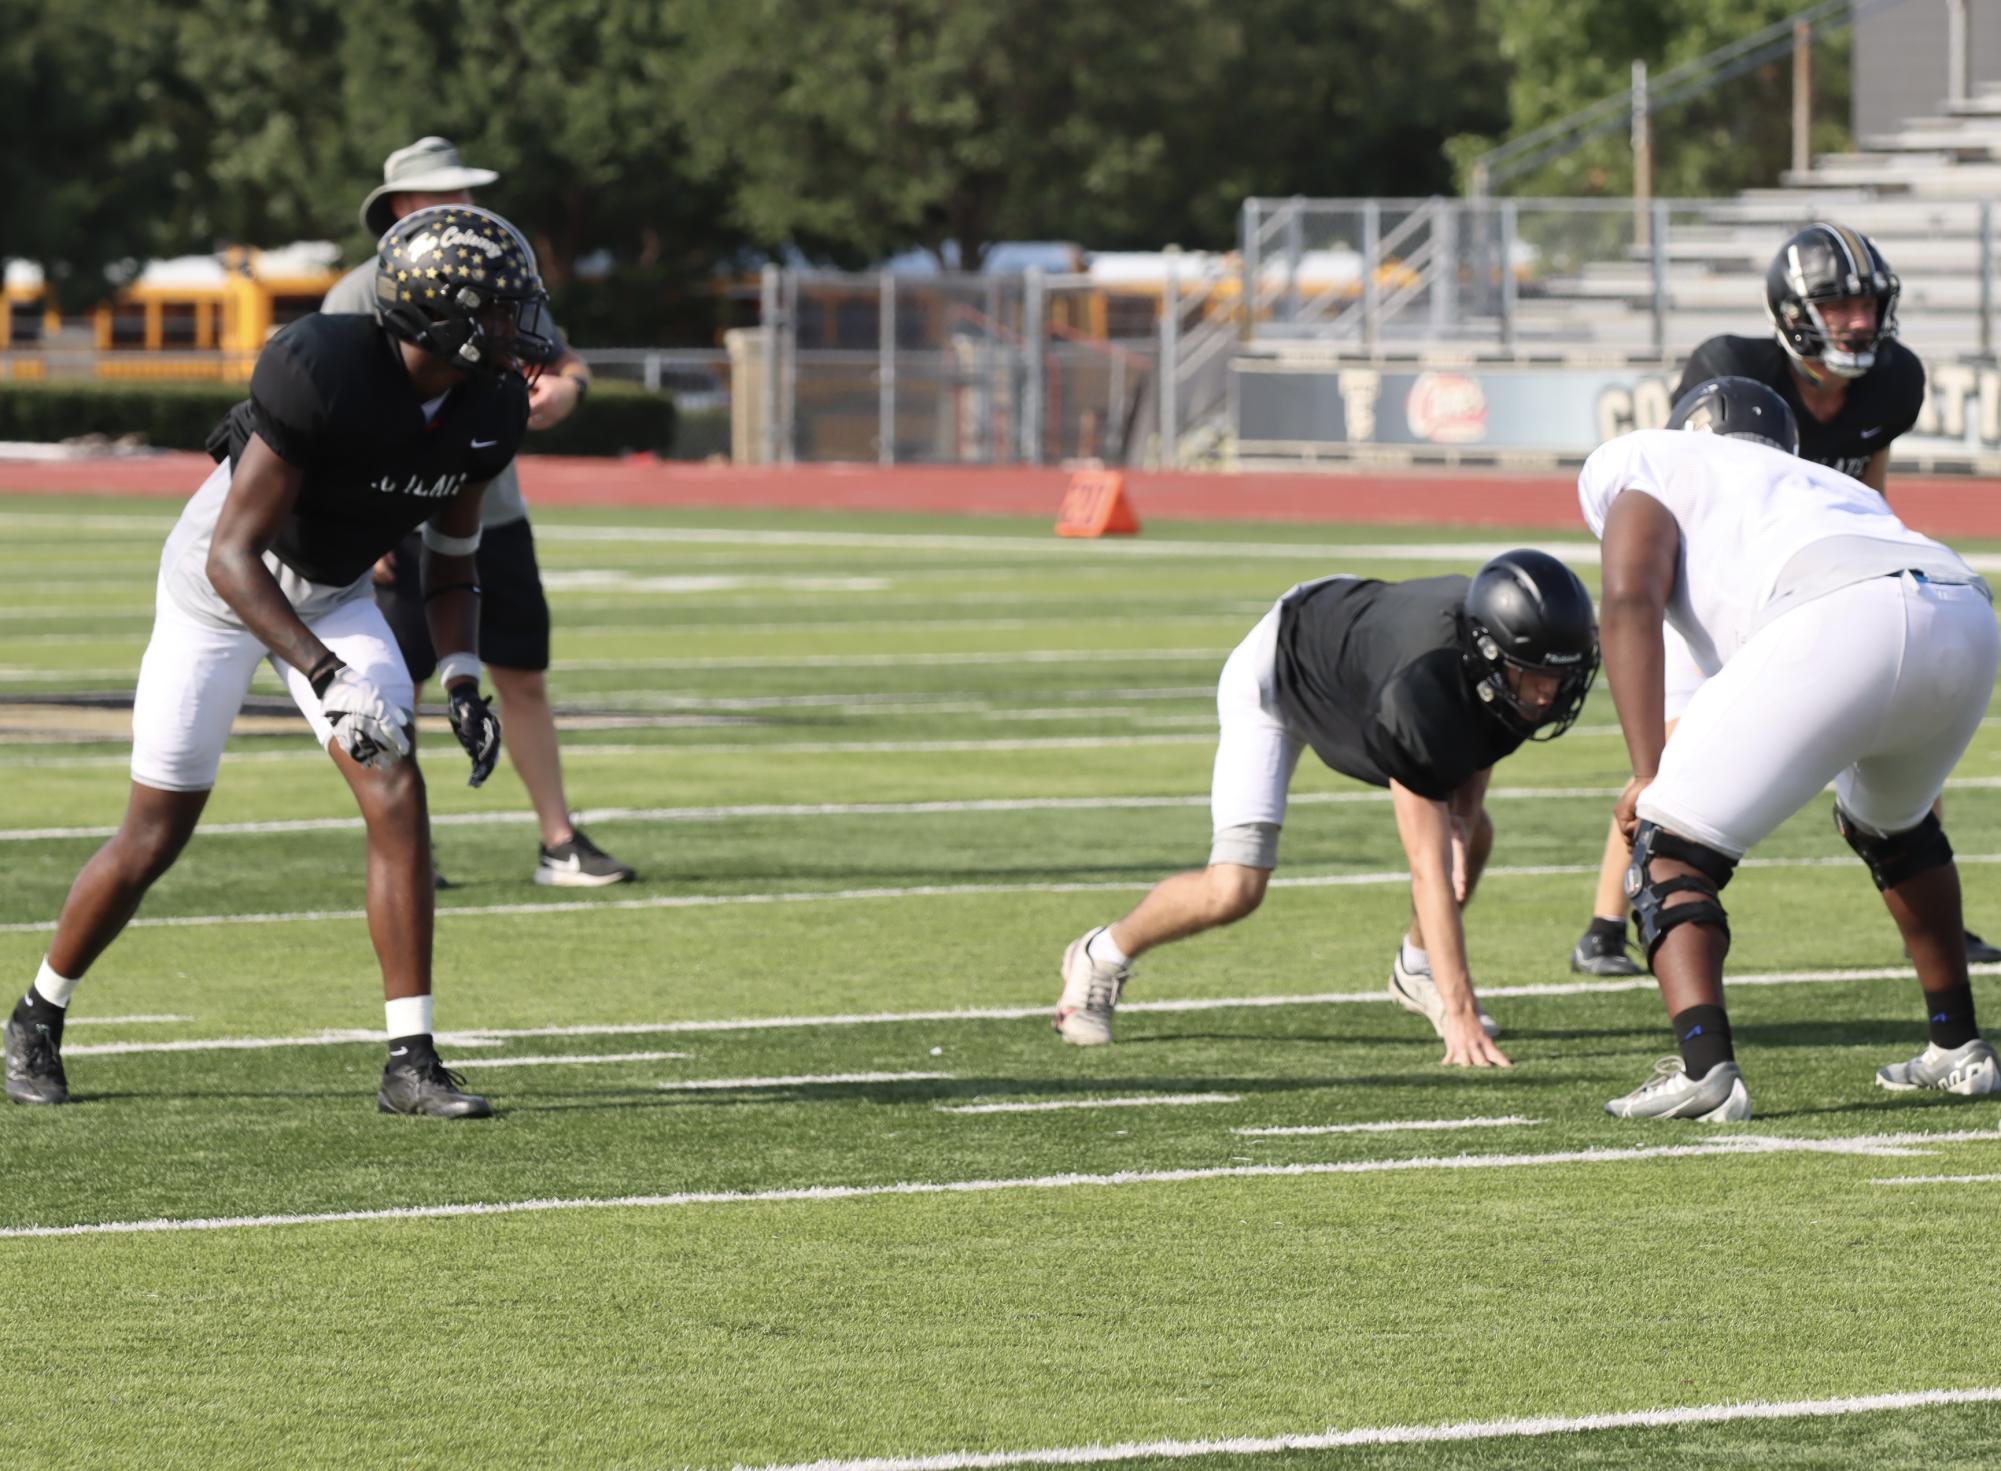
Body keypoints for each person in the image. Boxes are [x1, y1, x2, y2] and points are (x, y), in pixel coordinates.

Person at [3, 204, 553, 1116]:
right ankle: (38, 1009)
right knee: (155, 832)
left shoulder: (490, 407)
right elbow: (232, 556)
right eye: (496, 311)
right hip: (218, 591)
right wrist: (329, 677)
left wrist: (460, 674)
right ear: (437, 314)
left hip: (333, 596)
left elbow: (453, 563)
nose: (516, 330)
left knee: (395, 784)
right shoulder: (323, 367)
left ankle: (409, 1060)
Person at [1567, 220, 2001, 972]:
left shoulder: (1892, 381)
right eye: (1836, 306)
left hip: (1820, 579)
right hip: (1714, 578)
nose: (1858, 321)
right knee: (1670, 752)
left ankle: (1937, 924)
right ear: (1792, 311)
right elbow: (1680, 480)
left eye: (1866, 304)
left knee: (1903, 750)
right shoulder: (1732, 368)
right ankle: (1607, 922)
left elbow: (1865, 479)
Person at [1586, 376, 2000, 1121]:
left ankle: (1702, 1069)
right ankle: (1958, 1047)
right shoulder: (1817, 487)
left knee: (1669, 850)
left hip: (1837, 613)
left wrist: (1649, 776)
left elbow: (1625, 595)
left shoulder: (1652, 463)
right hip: (1961, 606)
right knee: (1896, 830)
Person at [1053, 551, 1600, 1067]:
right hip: (1280, 671)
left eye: (1559, 676)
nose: (1549, 695)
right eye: (1534, 676)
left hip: (1353, 649)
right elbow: (1426, 870)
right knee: (1234, 889)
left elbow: (1485, 734)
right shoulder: (1420, 690)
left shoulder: (1497, 658)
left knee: (1473, 836)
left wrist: (1462, 816)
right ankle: (1102, 953)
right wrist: (1462, 1016)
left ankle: (1418, 967)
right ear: (1486, 653)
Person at [324, 136, 635, 889]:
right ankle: (408, 847)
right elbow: (324, 423)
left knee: (520, 674)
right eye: (443, 196)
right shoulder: (359, 295)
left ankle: (558, 841)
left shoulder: (496, 277)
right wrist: (356, 529)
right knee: (398, 685)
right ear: (402, 208)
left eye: (464, 195)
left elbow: (562, 362)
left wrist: (569, 390)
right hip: (396, 524)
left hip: (491, 514)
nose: (462, 207)